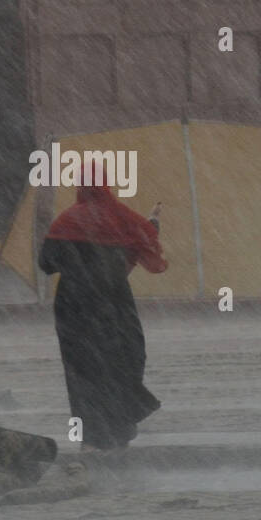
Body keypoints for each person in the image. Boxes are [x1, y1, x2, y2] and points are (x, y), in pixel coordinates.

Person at [39, 165, 167, 451]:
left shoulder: (66, 222)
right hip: (114, 304)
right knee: (122, 360)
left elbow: (46, 264)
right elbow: (144, 239)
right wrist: (153, 222)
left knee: (81, 371)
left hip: (74, 307)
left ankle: (91, 437)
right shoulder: (121, 217)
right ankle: (119, 427)